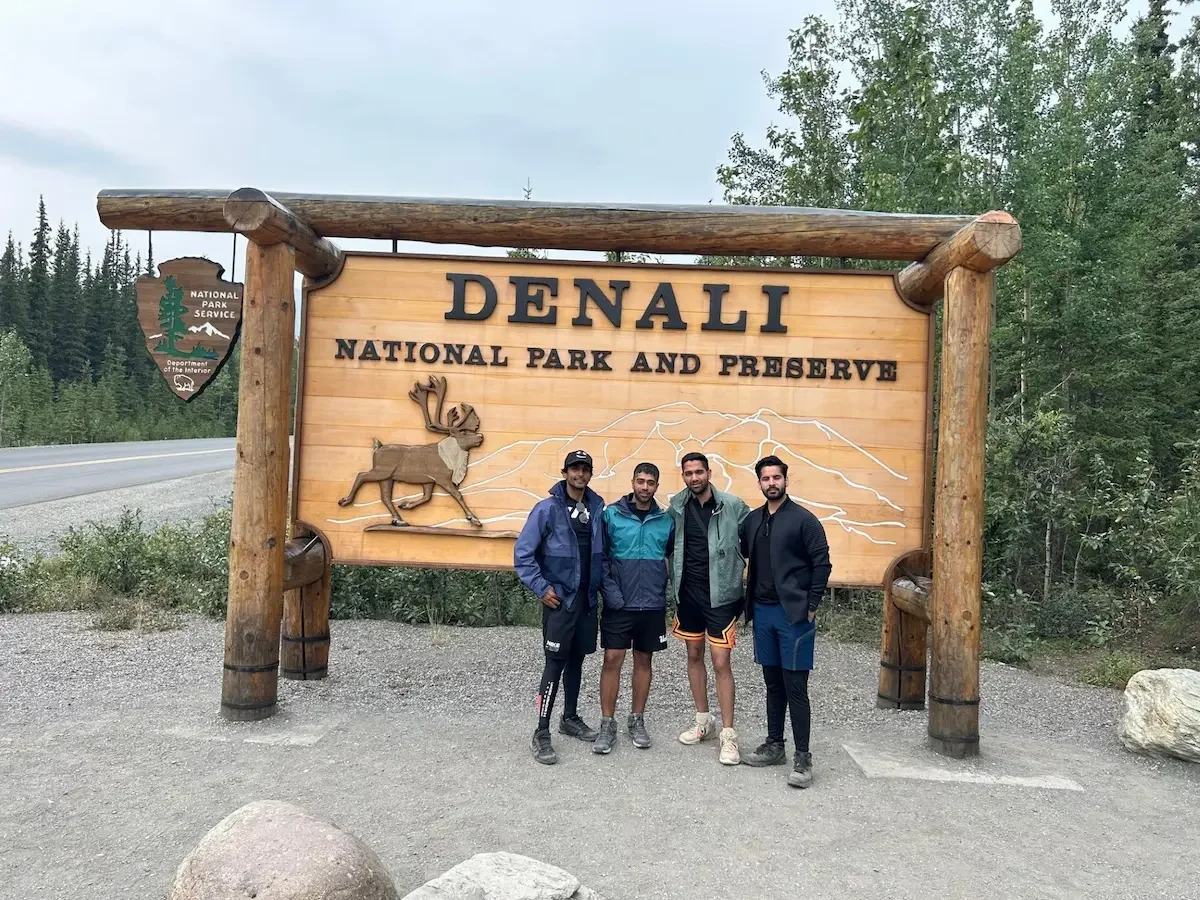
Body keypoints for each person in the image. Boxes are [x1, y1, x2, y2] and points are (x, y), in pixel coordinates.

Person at [739, 454, 832, 788]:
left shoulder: (804, 520)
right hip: (762, 613)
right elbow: (742, 553)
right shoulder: (752, 521)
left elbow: (822, 563)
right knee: (772, 683)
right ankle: (774, 744)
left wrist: (812, 604)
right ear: (759, 483)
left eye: (776, 478)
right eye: (765, 479)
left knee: (796, 687)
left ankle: (803, 757)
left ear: (785, 480)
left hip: (794, 615)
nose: (771, 484)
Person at [514, 449, 607, 765]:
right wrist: (541, 588)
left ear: (590, 474)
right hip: (560, 602)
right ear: (565, 471)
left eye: (585, 469)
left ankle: (569, 718)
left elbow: (602, 556)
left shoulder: (596, 509)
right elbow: (523, 555)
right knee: (554, 663)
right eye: (575, 468)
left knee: (577, 660)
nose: (580, 474)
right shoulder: (547, 509)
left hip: (586, 603)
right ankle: (541, 732)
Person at [666, 451, 751, 765]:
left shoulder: (733, 506)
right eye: (688, 473)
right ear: (684, 475)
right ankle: (704, 720)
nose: (694, 478)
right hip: (688, 594)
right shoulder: (676, 507)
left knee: (721, 662)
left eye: (699, 472)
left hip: (721, 596)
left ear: (709, 473)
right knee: (693, 655)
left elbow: (755, 541)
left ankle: (729, 735)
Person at [593, 462, 675, 754]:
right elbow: (599, 558)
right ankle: (607, 723)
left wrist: (665, 593)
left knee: (644, 661)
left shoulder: (666, 520)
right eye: (640, 481)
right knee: (612, 658)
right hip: (619, 603)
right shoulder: (612, 515)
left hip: (651, 605)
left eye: (650, 482)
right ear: (632, 482)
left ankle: (637, 720)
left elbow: (670, 560)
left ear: (656, 486)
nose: (644, 487)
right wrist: (611, 593)